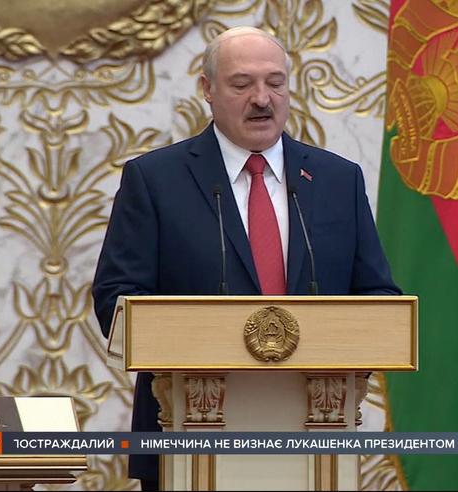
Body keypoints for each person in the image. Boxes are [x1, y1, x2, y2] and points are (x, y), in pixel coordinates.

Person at [92, 26, 401, 489]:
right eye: (242, 84)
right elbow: (116, 298)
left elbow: (378, 296)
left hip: (316, 441)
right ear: (208, 89)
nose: (262, 99)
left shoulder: (338, 180)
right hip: (186, 438)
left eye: (275, 83)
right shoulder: (155, 180)